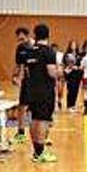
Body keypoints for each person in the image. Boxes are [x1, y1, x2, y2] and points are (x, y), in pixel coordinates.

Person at [25, 24, 58, 162]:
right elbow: (51, 73)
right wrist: (61, 72)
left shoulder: (30, 52)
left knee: (34, 119)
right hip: (45, 91)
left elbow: (27, 71)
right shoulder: (49, 51)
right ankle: (41, 153)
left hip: (31, 90)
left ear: (35, 35)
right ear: (48, 35)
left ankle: (36, 151)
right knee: (43, 120)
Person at [12, 27, 33, 143]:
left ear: (27, 35)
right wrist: (16, 77)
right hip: (25, 81)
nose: (20, 40)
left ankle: (42, 135)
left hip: (36, 81)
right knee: (22, 106)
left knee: (36, 108)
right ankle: (20, 132)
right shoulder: (20, 48)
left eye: (21, 37)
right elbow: (19, 65)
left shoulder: (35, 47)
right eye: (18, 38)